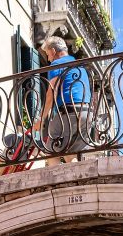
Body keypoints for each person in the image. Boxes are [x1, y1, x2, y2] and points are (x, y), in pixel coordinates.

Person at [33, 36, 92, 164]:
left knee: (50, 150)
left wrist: (41, 119)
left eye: (48, 54)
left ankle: (56, 182)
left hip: (69, 113)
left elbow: (51, 93)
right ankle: (77, 181)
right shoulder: (79, 66)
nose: (48, 59)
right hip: (87, 114)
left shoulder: (57, 64)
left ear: (53, 51)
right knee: (70, 155)